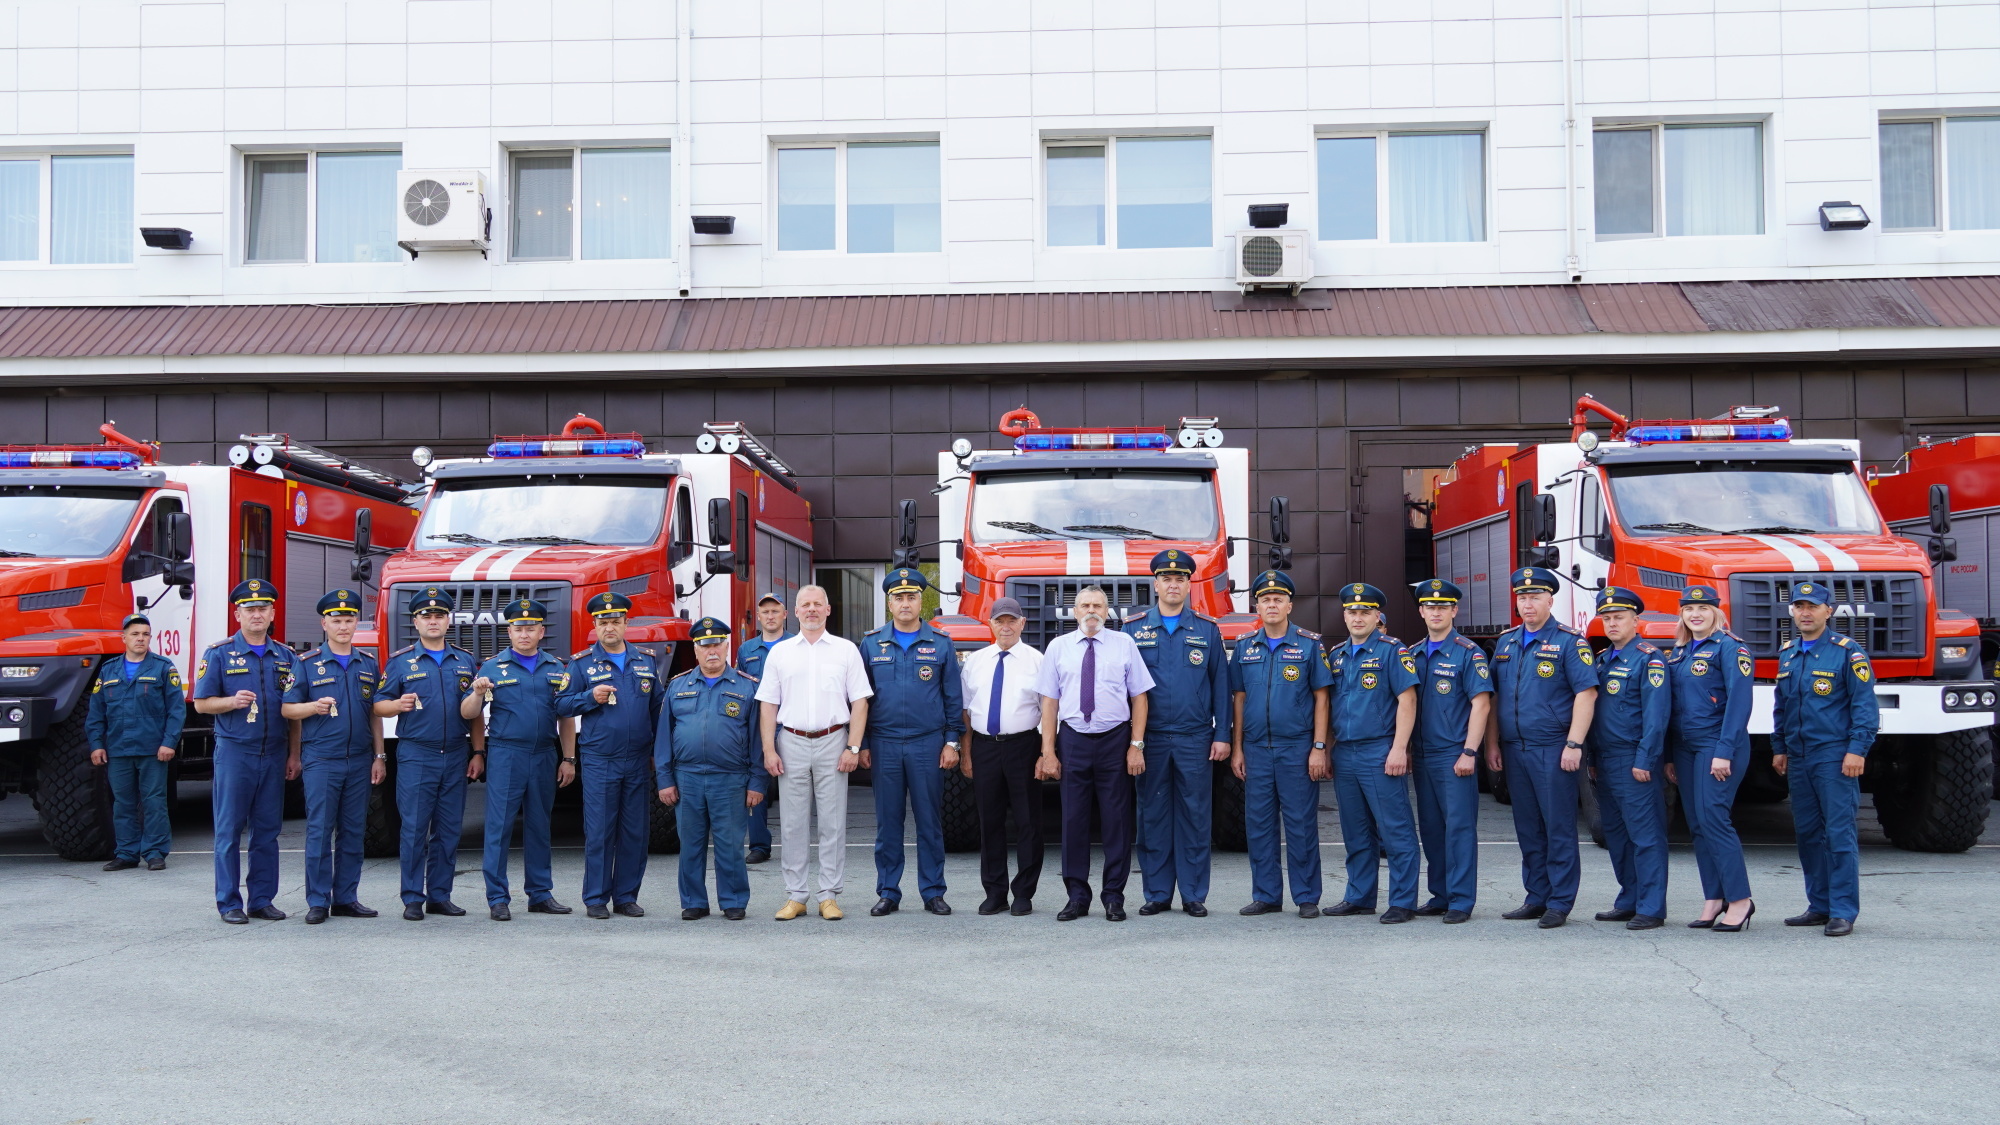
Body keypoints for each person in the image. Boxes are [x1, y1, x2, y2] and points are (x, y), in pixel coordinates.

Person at [1487, 567, 1597, 929]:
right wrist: (1492, 743)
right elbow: (1495, 696)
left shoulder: (1569, 642)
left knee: (1558, 826)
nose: (1528, 603)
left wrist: (1574, 743)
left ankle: (1560, 902)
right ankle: (1536, 896)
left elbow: (1586, 693)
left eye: (1535, 597)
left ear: (1551, 600)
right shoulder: (1506, 642)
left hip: (1553, 747)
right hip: (1515, 748)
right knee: (1528, 827)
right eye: (1522, 597)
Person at [1037, 584, 1154, 922]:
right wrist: (1048, 751)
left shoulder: (1125, 645)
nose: (1091, 611)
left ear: (1107, 612)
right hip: (1072, 739)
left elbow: (1140, 698)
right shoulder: (1058, 648)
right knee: (1072, 820)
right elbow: (1049, 701)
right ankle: (1076, 896)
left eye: (1098, 606)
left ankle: (1114, 897)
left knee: (1116, 821)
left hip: (1115, 741)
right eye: (1085, 605)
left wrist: (1136, 745)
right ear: (1074, 611)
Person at [756, 584, 873, 921]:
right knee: (792, 824)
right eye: (804, 605)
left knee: (832, 823)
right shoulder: (780, 652)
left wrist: (853, 746)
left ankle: (828, 896)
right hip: (790, 741)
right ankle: (796, 896)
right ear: (795, 611)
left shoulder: (846, 650)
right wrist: (769, 748)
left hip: (833, 740)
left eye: (816, 604)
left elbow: (860, 702)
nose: (810, 610)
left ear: (827, 609)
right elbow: (768, 704)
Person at [1127, 549, 1232, 917]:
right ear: (1155, 584)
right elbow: (1122, 687)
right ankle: (1157, 893)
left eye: (1181, 578)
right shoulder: (1132, 628)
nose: (1174, 584)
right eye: (1167, 578)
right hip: (1150, 738)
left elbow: (1222, 685)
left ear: (1190, 584)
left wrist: (1223, 736)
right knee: (1152, 815)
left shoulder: (1206, 629)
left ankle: (1192, 894)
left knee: (1194, 815)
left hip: (1195, 737)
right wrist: (1130, 741)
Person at [1772, 581, 1879, 937]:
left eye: (1813, 607)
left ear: (1828, 611)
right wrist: (1779, 747)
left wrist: (1856, 750)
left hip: (1834, 755)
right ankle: (1818, 905)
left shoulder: (1848, 653)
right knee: (1807, 833)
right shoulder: (1788, 653)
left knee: (1838, 833)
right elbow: (1782, 707)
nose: (1805, 612)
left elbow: (1864, 708)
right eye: (1799, 606)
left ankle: (1843, 910)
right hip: (1799, 755)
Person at [373, 586, 484, 921]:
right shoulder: (401, 662)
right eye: (426, 615)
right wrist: (397, 704)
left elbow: (475, 712)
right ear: (416, 622)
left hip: (454, 754)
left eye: (439, 615)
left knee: (449, 830)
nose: (432, 621)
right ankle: (412, 898)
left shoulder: (464, 660)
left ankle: (439, 895)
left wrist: (478, 752)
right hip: (416, 754)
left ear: (448, 620)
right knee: (415, 828)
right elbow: (378, 705)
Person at [860, 568, 965, 917]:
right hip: (885, 743)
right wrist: (860, 744)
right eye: (898, 597)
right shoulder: (871, 643)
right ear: (889, 603)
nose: (905, 603)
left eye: (911, 596)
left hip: (926, 744)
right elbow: (860, 699)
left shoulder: (941, 643)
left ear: (922, 600)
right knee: (888, 823)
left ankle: (933, 891)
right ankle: (889, 891)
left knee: (929, 822)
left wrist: (953, 741)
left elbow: (953, 697)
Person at [193, 579, 298, 924]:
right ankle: (229, 903)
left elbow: (293, 713)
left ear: (272, 613)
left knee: (267, 831)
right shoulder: (219, 653)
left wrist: (294, 755)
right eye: (249, 609)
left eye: (263, 608)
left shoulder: (286, 656)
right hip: (235, 753)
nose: (257, 614)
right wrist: (231, 702)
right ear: (237, 614)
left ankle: (262, 899)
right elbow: (201, 704)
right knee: (228, 831)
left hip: (274, 753)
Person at [464, 598, 576, 922]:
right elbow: (469, 713)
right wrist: (475, 692)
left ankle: (540, 894)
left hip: (544, 754)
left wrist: (568, 758)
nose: (524, 633)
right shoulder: (491, 669)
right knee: (498, 827)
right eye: (518, 628)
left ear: (541, 631)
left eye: (531, 628)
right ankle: (497, 898)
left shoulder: (556, 668)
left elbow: (566, 716)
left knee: (540, 826)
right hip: (506, 754)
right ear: (509, 631)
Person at [1229, 570, 1331, 919]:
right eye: (1265, 599)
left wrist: (1318, 747)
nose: (1271, 604)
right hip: (1256, 749)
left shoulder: (1308, 644)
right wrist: (1238, 748)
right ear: (1257, 605)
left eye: (1278, 599)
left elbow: (1321, 699)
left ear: (1289, 604)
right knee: (1258, 826)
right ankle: (1267, 895)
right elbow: (1239, 700)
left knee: (1301, 825)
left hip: (1297, 749)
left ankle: (1306, 897)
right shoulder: (1245, 646)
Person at [556, 592, 663, 920]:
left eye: (616, 621)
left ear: (626, 623)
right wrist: (590, 697)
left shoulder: (645, 660)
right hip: (601, 759)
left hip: (637, 759)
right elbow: (560, 705)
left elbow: (658, 707)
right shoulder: (581, 663)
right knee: (600, 830)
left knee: (635, 831)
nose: (610, 627)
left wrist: (662, 754)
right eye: (603, 622)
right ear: (595, 625)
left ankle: (627, 896)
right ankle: (597, 898)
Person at [280, 590, 386, 924]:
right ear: (324, 623)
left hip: (358, 759)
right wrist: (312, 707)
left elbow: (375, 714)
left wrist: (379, 755)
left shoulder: (368, 663)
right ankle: (317, 900)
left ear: (357, 621)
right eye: (336, 620)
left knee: (354, 831)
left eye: (349, 619)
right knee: (321, 831)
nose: (343, 626)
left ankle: (346, 898)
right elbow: (287, 708)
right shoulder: (307, 663)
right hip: (322, 759)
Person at [656, 616, 767, 921]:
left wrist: (757, 781)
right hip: (687, 778)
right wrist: (664, 779)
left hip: (731, 779)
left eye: (717, 643)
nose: (712, 650)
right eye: (705, 645)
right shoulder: (678, 686)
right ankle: (693, 901)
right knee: (690, 845)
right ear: (696, 649)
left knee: (730, 845)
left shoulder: (746, 687)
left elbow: (759, 739)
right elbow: (663, 739)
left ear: (726, 645)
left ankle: (732, 901)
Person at [1323, 582, 1423, 923]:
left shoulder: (1393, 651)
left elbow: (1407, 701)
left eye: (1365, 611)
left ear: (1377, 615)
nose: (1358, 617)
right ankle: (1360, 896)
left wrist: (1399, 748)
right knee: (1356, 831)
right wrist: (1328, 750)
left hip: (1380, 750)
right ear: (1345, 615)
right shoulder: (1336, 655)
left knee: (1395, 830)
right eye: (1352, 611)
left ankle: (1403, 901)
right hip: (1346, 752)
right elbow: (1331, 705)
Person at [1666, 584, 1756, 932]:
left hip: (1717, 746)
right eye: (1689, 609)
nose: (1696, 614)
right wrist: (1672, 755)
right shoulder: (1679, 653)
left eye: (1703, 609)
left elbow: (1739, 703)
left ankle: (1740, 900)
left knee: (1714, 819)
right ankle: (1713, 898)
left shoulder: (1730, 649)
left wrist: (1724, 751)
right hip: (1686, 749)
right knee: (1698, 826)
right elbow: (1674, 710)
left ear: (1716, 613)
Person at [1585, 586, 1671, 930]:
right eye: (1606, 618)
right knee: (1616, 835)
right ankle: (1629, 899)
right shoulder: (1604, 659)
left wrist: (1645, 760)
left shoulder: (1649, 658)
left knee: (1645, 836)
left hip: (1633, 760)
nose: (1612, 623)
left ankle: (1651, 907)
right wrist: (1591, 757)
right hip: (1605, 760)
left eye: (1619, 617)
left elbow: (1656, 716)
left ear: (1637, 620)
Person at [1406, 580, 1491, 924]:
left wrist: (1470, 751)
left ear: (1454, 611)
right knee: (1431, 829)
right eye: (1430, 606)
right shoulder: (1412, 653)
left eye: (1443, 606)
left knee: (1458, 829)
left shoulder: (1468, 652)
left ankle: (1460, 900)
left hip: (1454, 755)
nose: (1436, 611)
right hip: (1424, 756)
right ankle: (1439, 894)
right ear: (1422, 611)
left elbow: (1481, 704)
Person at [958, 597, 1047, 916]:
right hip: (984, 747)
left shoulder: (1037, 661)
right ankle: (995, 892)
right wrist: (966, 752)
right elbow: (966, 711)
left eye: (1012, 621)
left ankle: (1024, 893)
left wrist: (1046, 753)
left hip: (1024, 746)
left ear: (1022, 623)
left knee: (1027, 822)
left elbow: (1051, 711)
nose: (1006, 626)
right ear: (990, 624)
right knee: (990, 821)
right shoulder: (976, 661)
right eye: (1000, 621)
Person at [87, 614, 184, 873]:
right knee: (122, 803)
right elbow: (96, 712)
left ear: (150, 638)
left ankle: (155, 853)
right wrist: (97, 744)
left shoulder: (163, 668)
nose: (140, 638)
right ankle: (127, 853)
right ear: (124, 638)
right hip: (118, 749)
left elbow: (176, 711)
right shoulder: (108, 670)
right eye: (134, 634)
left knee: (154, 802)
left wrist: (169, 742)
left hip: (152, 749)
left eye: (145, 634)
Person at [734, 593, 794, 865]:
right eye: (765, 612)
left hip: (792, 724)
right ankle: (759, 845)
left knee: (794, 787)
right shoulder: (746, 650)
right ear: (758, 617)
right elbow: (741, 688)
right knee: (755, 782)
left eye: (775, 611)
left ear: (785, 614)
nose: (770, 616)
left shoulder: (798, 644)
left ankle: (796, 846)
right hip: (758, 726)